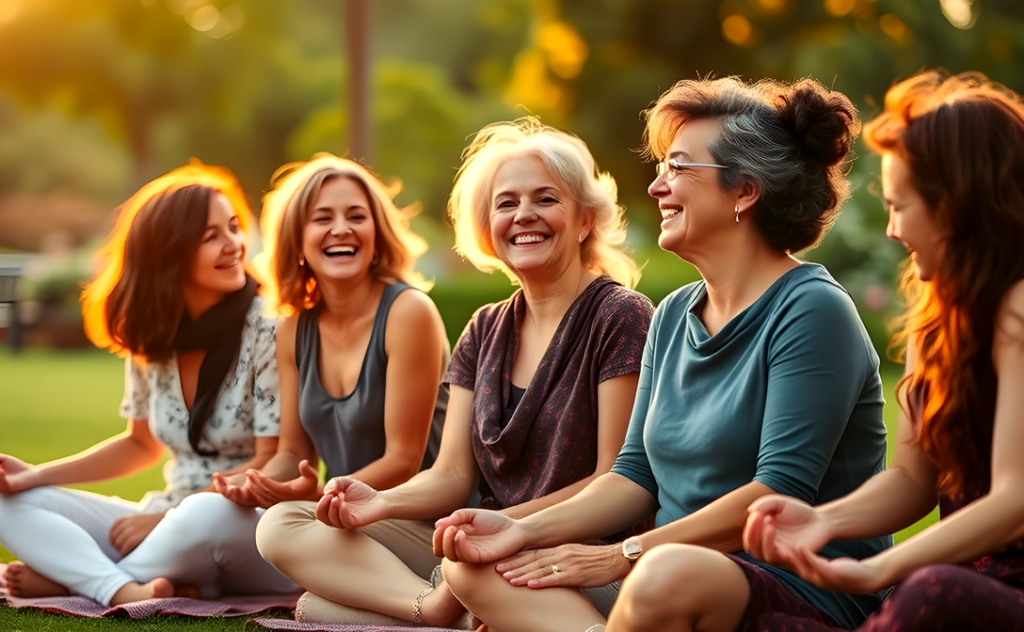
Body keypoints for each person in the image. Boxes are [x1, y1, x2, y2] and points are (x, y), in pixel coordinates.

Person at [435, 76, 890, 632]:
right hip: (660, 572)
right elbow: (633, 476)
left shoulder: (813, 311)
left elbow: (778, 492)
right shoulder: (674, 313)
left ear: (744, 191)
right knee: (476, 566)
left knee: (666, 573)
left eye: (678, 168)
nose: (655, 187)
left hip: (797, 586)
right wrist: (518, 530)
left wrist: (623, 554)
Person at [255, 118, 653, 627]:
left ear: (584, 221)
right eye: (506, 204)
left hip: (582, 552)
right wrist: (379, 502)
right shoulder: (484, 328)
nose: (524, 215)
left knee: (333, 602)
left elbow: (613, 481)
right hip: (479, 545)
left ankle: (425, 611)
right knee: (283, 523)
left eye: (546, 199)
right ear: (487, 229)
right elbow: (451, 475)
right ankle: (433, 610)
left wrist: (501, 526)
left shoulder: (620, 315)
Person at [742, 70, 1024, 632]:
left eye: (901, 205)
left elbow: (1015, 499)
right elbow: (912, 481)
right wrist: (821, 520)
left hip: (983, 591)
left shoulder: (1019, 309)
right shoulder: (937, 322)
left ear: (957, 207)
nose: (892, 229)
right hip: (954, 581)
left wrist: (881, 570)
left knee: (929, 590)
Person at [0, 163, 295, 605]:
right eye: (210, 236)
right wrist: (37, 476)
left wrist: (169, 518)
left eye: (233, 227)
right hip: (168, 515)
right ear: (168, 253)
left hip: (246, 520)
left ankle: (87, 581)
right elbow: (140, 444)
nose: (233, 244)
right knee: (9, 501)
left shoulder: (270, 330)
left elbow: (272, 460)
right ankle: (134, 584)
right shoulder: (152, 338)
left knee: (206, 514)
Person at [208, 154, 450, 593]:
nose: (341, 228)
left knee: (281, 527)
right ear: (297, 240)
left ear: (376, 235)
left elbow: (403, 462)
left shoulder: (408, 312)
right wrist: (261, 484)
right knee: (265, 546)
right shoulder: (293, 328)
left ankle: (430, 594)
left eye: (356, 216)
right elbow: (292, 451)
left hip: (422, 522)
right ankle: (416, 602)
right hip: (343, 517)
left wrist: (314, 498)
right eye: (322, 218)